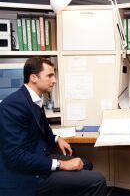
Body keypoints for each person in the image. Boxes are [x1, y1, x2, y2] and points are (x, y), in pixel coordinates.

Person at [0, 57, 107, 196]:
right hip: (25, 177)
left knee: (85, 163)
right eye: (50, 75)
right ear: (34, 78)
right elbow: (17, 157)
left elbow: (40, 129)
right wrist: (61, 165)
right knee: (97, 180)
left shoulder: (33, 98)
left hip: (36, 160)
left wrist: (57, 139)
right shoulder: (13, 105)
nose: (54, 80)